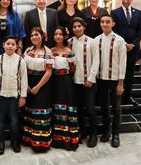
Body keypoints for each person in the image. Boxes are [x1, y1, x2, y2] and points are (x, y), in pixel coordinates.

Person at [92, 14, 127, 148]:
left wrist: (121, 83)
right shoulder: (96, 40)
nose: (105, 24)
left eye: (107, 22)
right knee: (104, 107)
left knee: (116, 107)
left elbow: (123, 62)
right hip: (101, 79)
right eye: (102, 22)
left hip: (115, 80)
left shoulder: (119, 40)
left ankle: (116, 134)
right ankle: (107, 131)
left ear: (113, 24)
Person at [0, 36, 28, 155]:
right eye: (8, 44)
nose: (10, 46)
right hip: (0, 95)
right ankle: (0, 143)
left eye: (13, 44)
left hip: (14, 96)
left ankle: (15, 142)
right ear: (3, 45)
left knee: (14, 121)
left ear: (17, 46)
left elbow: (24, 79)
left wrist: (22, 96)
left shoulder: (21, 60)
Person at [22, 27, 54, 152]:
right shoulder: (28, 50)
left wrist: (37, 87)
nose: (34, 37)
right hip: (29, 81)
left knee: (40, 110)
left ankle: (41, 142)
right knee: (30, 110)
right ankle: (29, 139)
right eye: (32, 35)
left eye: (37, 34)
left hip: (42, 84)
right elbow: (23, 67)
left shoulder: (48, 52)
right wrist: (26, 84)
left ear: (42, 36)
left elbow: (49, 71)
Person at [111, 0, 141, 106]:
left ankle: (127, 97)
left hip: (133, 49)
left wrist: (133, 44)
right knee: (120, 72)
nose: (125, 1)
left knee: (130, 73)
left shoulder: (138, 13)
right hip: (119, 48)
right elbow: (113, 31)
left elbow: (140, 31)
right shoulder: (115, 12)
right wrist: (124, 44)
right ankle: (117, 96)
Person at [69, 17, 98, 148]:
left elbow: (96, 62)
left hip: (88, 82)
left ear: (84, 27)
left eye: (79, 26)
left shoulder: (91, 42)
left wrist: (91, 79)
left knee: (91, 109)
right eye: (74, 27)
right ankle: (82, 132)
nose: (77, 29)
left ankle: (94, 134)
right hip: (75, 82)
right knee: (78, 109)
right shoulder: (69, 42)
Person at [50, 27, 79, 151]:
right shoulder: (50, 51)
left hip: (66, 81)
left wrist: (65, 74)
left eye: (60, 34)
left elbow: (72, 69)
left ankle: (68, 139)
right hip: (53, 82)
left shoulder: (69, 51)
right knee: (56, 108)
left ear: (64, 36)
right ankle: (57, 139)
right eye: (56, 34)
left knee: (66, 108)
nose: (58, 36)